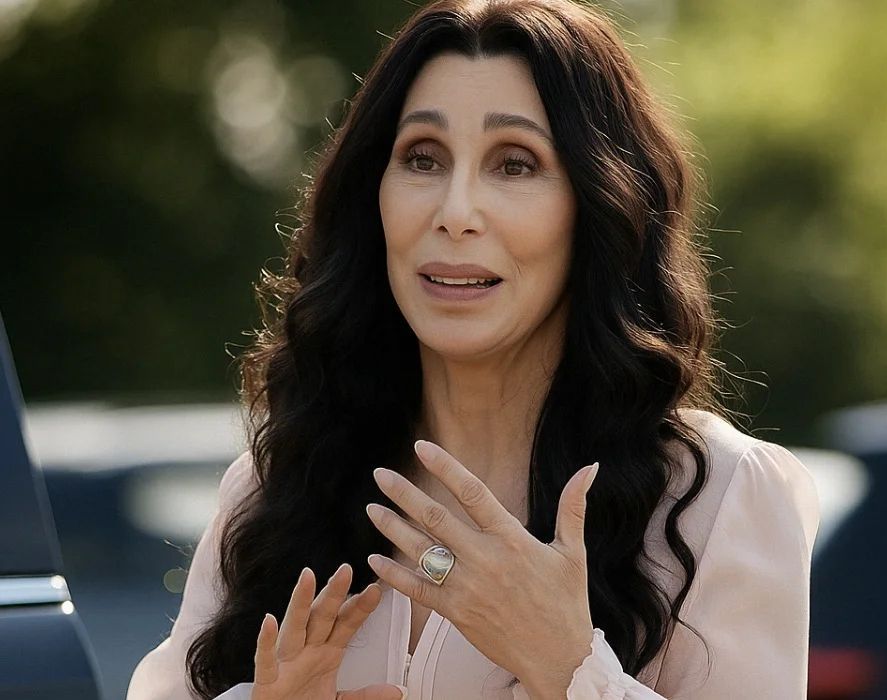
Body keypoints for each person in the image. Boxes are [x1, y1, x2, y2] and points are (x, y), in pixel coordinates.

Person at [127, 0, 820, 698]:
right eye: (422, 159)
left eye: (514, 165)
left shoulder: (720, 499)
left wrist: (571, 668)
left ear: (599, 205)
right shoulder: (278, 486)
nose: (455, 212)